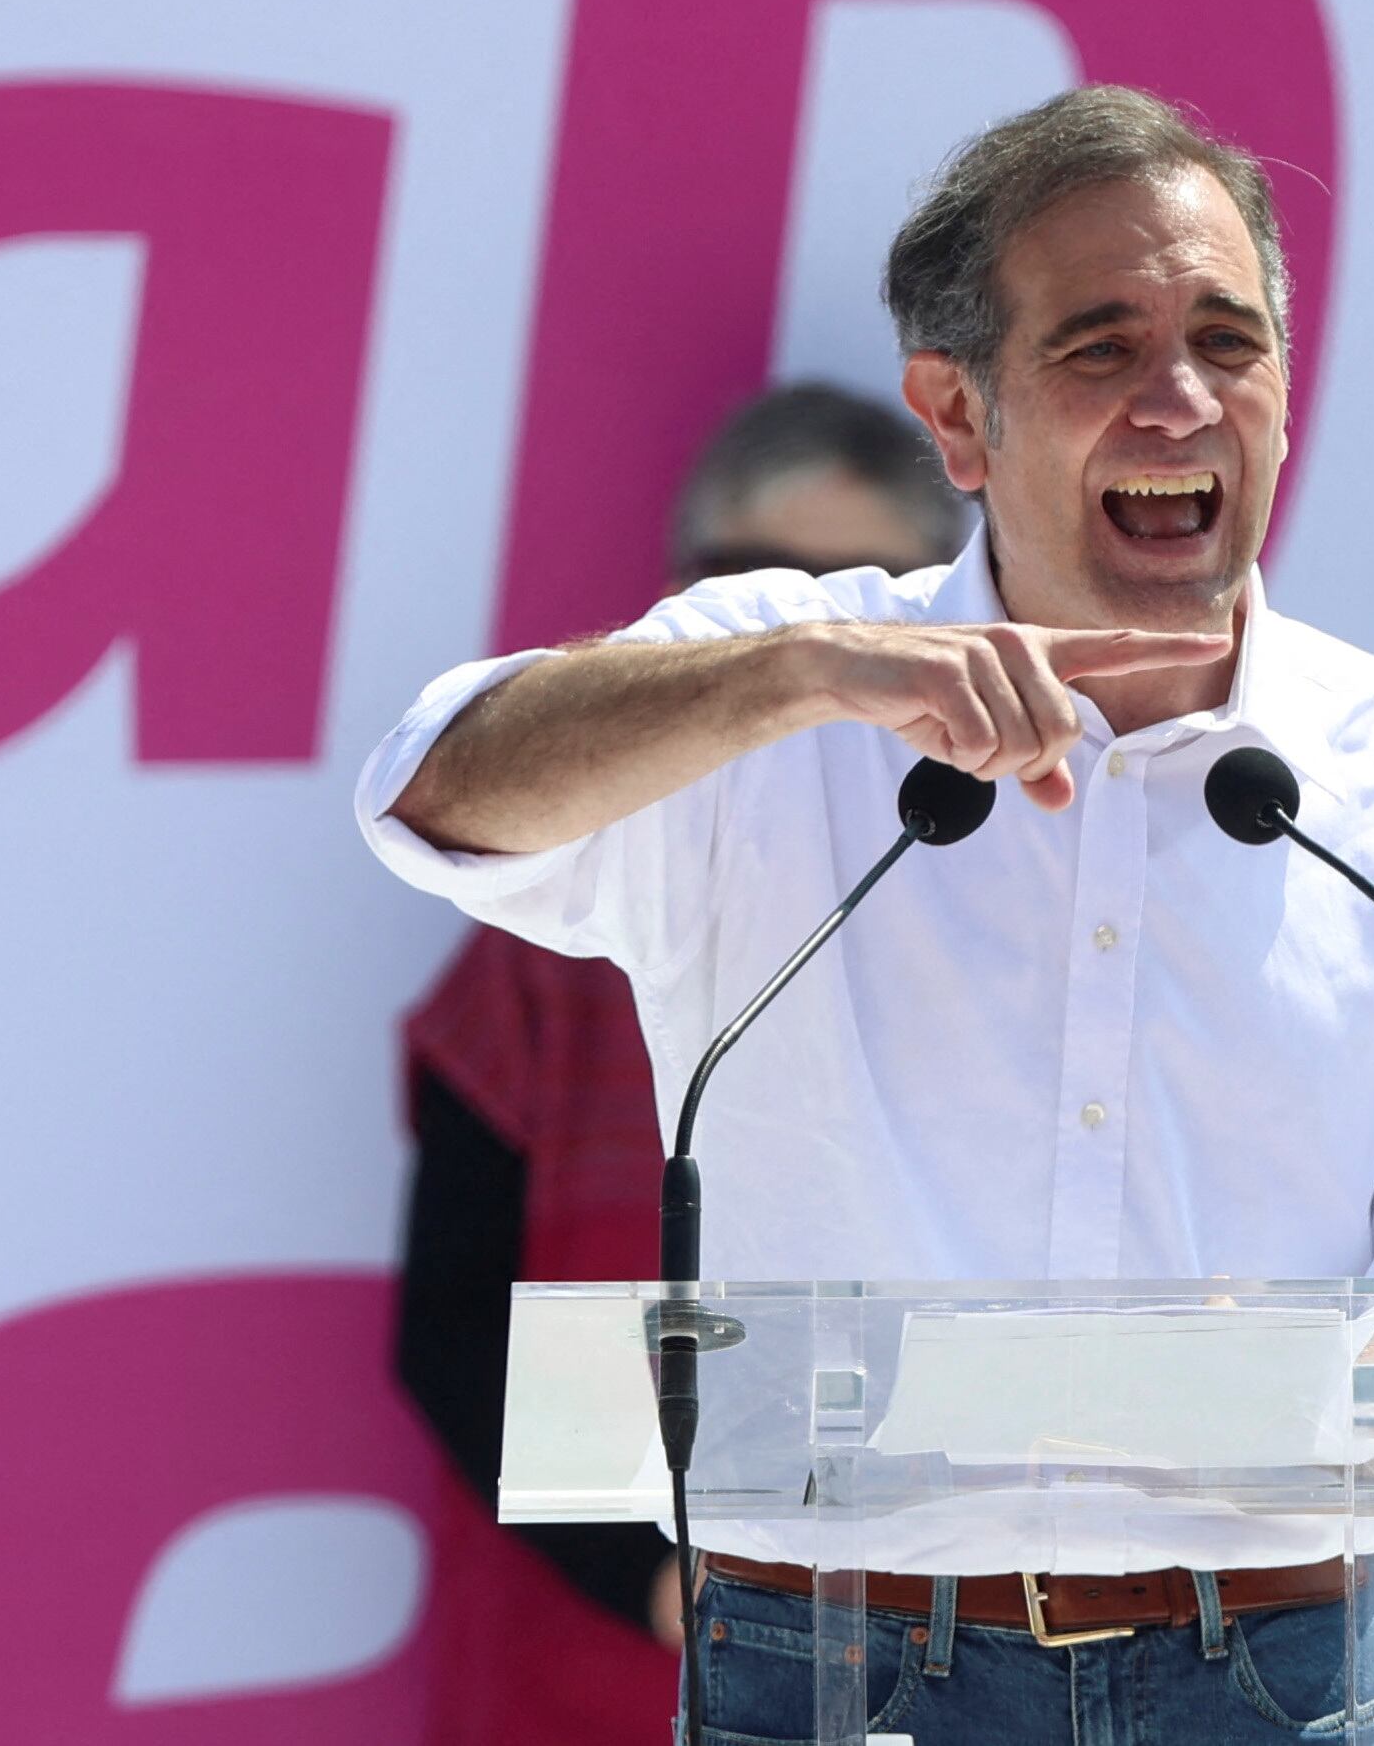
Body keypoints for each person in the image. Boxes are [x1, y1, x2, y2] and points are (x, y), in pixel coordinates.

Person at [359, 85, 1374, 1745]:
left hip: (1279, 1676)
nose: (1180, 399)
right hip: (841, 1668)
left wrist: (1303, 1401)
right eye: (1098, 347)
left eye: (1231, 338)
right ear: (956, 416)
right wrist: (801, 677)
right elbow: (432, 791)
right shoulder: (783, 697)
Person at [392, 382, 970, 1746]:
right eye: (762, 590)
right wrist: (660, 1582)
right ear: (677, 600)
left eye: (856, 595)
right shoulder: (552, 923)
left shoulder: (1024, 910)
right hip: (600, 1663)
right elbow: (452, 1323)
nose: (809, 640)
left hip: (959, 1674)